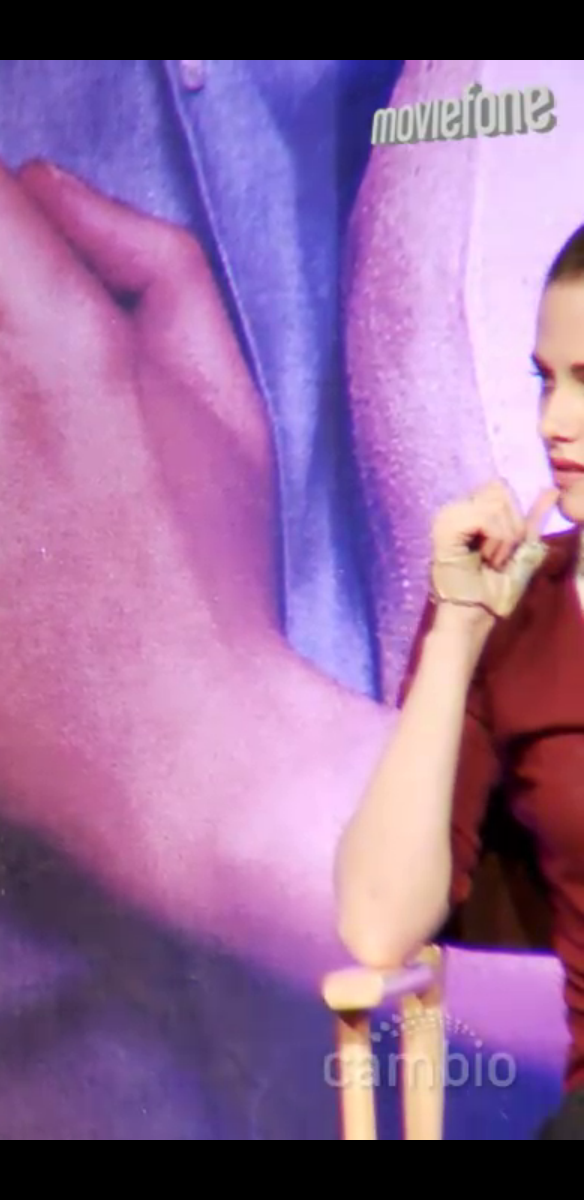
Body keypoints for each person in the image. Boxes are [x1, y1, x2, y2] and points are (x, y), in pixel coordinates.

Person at [335, 220, 584, 1140]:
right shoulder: (514, 613)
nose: (554, 422)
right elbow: (376, 926)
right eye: (546, 380)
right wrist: (459, 634)